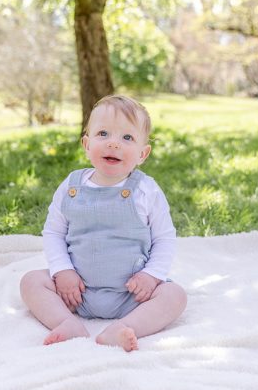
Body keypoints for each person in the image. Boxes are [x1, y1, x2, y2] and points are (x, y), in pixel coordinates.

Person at [20, 95, 187, 353]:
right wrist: (62, 271)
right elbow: (53, 232)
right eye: (103, 133)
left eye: (127, 138)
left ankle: (123, 328)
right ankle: (67, 323)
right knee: (31, 281)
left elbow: (164, 238)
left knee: (174, 296)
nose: (113, 144)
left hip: (132, 295)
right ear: (86, 144)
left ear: (143, 154)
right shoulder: (71, 187)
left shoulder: (146, 190)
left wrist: (151, 276)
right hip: (76, 292)